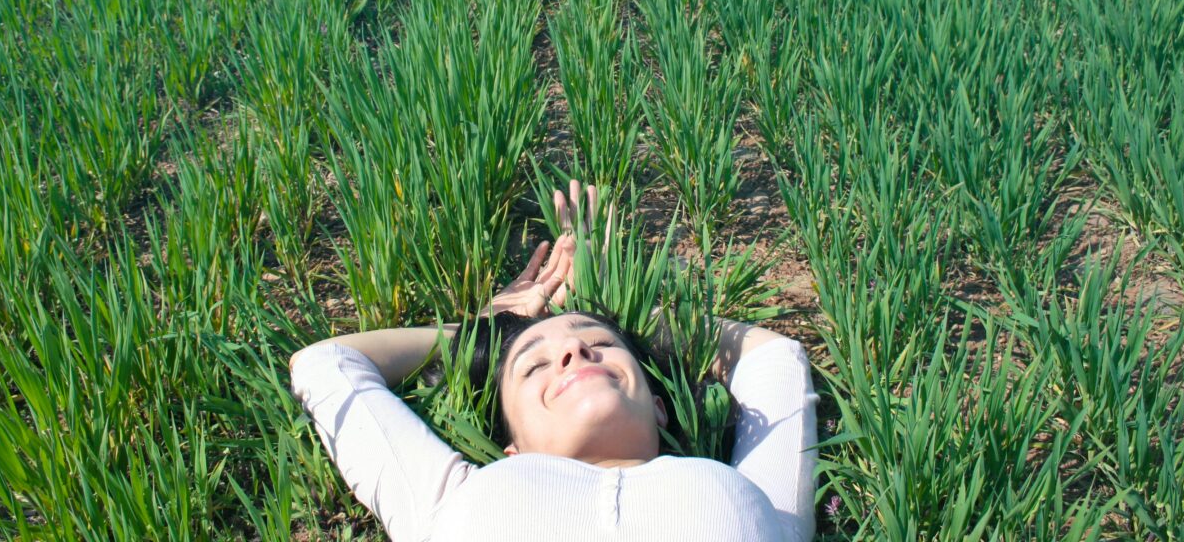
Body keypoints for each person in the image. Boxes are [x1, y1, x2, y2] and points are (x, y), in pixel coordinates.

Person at [289, 181, 819, 542]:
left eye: (601, 344)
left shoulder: (764, 503)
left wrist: (615, 298)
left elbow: (777, 360)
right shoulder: (450, 499)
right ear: (513, 451)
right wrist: (485, 330)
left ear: (660, 407)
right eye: (534, 366)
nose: (573, 350)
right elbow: (323, 363)